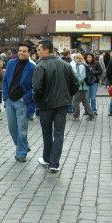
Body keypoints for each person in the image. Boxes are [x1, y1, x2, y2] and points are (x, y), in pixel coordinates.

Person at [33, 40, 79, 173]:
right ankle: (54, 163)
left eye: (39, 49)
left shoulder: (40, 66)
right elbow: (75, 82)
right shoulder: (65, 64)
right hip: (62, 104)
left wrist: (38, 101)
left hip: (46, 105)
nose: (37, 52)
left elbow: (36, 87)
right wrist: (68, 95)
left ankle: (47, 159)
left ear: (47, 50)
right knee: (59, 133)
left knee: (47, 133)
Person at [3, 44, 36, 162]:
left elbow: (35, 87)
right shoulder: (11, 63)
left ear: (29, 53)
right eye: (20, 50)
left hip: (22, 103)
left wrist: (24, 99)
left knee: (22, 129)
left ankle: (21, 153)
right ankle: (24, 145)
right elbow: (5, 80)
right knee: (12, 128)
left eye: (24, 51)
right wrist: (5, 96)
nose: (21, 53)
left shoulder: (32, 67)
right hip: (10, 100)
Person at [71, 54, 96, 121]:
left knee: (75, 101)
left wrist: (76, 84)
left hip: (81, 87)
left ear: (79, 58)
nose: (74, 60)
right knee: (85, 101)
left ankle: (76, 116)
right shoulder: (80, 65)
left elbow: (82, 77)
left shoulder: (81, 66)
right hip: (82, 87)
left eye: (75, 58)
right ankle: (91, 115)